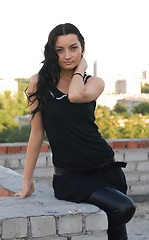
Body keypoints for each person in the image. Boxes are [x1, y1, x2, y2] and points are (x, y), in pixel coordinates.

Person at [15, 23, 136, 240]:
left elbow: (75, 96)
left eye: (73, 48)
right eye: (59, 50)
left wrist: (80, 70)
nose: (67, 56)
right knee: (124, 209)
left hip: (108, 170)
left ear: (82, 49)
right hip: (71, 178)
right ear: (52, 52)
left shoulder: (94, 83)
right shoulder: (39, 83)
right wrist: (27, 179)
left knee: (117, 234)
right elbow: (36, 133)